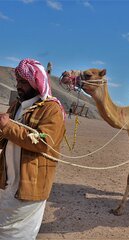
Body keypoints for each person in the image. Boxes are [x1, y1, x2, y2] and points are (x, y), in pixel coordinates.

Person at [0, 59, 65, 239]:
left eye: (23, 82)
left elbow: (44, 142)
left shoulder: (52, 109)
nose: (18, 86)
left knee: (18, 235)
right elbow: (6, 137)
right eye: (18, 81)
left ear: (35, 82)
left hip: (30, 186)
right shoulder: (17, 106)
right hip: (7, 183)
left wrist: (7, 127)